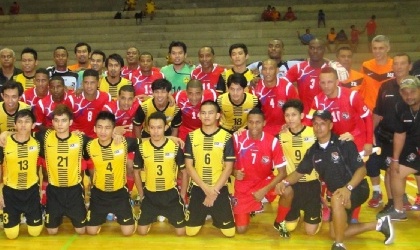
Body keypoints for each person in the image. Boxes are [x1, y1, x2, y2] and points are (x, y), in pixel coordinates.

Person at [276, 109, 394, 250]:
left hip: (357, 188)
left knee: (337, 199)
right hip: (339, 194)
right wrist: (284, 182)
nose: (318, 127)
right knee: (335, 232)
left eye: (322, 123)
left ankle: (339, 245)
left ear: (330, 125)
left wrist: (348, 188)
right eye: (315, 124)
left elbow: (362, 170)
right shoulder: (313, 151)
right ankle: (379, 224)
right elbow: (299, 173)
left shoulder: (344, 143)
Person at [184, 100, 236, 237]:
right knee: (190, 232)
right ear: (199, 115)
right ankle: (204, 212)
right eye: (203, 113)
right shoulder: (191, 136)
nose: (207, 116)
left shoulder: (226, 137)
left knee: (230, 233)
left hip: (219, 188)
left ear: (218, 115)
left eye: (211, 113)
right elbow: (189, 167)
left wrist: (214, 192)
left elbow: (228, 168)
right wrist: (206, 189)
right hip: (198, 187)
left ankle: (215, 210)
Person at [369, 54, 413, 213]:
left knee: (407, 170)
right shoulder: (385, 87)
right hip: (387, 137)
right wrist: (370, 133)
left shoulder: (417, 87)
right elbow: (377, 113)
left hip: (412, 138)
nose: (399, 67)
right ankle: (393, 203)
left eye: (403, 64)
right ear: (392, 67)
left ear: (410, 66)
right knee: (390, 169)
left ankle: (402, 200)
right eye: (396, 64)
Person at [232, 108, 287, 234]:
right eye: (251, 122)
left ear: (264, 123)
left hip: (264, 181)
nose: (254, 126)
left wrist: (264, 190)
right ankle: (251, 206)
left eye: (258, 122)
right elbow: (226, 164)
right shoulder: (237, 138)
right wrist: (234, 172)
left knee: (287, 190)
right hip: (244, 185)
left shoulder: (273, 142)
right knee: (241, 230)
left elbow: (283, 173)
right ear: (247, 123)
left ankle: (279, 221)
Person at [36, 104, 89, 235]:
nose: (60, 124)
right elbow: (22, 132)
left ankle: (82, 209)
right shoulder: (45, 136)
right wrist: (6, 133)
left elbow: (102, 141)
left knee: (81, 231)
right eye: (57, 120)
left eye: (64, 120)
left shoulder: (80, 139)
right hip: (54, 191)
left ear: (70, 122)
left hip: (74, 190)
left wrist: (115, 134)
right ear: (52, 122)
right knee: (52, 231)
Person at [85, 111, 138, 236]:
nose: (103, 131)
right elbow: (69, 137)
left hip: (119, 193)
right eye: (100, 127)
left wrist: (170, 138)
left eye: (107, 128)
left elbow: (146, 141)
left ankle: (129, 211)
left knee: (127, 232)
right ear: (94, 128)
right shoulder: (89, 145)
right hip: (99, 194)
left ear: (113, 130)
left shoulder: (123, 143)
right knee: (91, 232)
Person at [134, 111, 187, 235]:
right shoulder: (142, 148)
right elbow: (136, 172)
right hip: (150, 196)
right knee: (141, 232)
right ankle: (151, 217)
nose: (155, 131)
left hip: (170, 196)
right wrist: (142, 195)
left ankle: (170, 214)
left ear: (166, 128)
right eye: (152, 128)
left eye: (159, 127)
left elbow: (184, 172)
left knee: (181, 233)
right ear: (147, 128)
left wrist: (183, 195)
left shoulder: (174, 147)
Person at [278, 99, 321, 236]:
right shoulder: (281, 136)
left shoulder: (314, 133)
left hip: (311, 184)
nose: (290, 119)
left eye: (294, 115)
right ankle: (294, 213)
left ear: (302, 116)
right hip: (292, 186)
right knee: (289, 227)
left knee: (310, 232)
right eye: (287, 115)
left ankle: (317, 209)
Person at [379, 76, 420, 221]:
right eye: (405, 93)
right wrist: (395, 159)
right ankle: (398, 210)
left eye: (413, 92)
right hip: (414, 150)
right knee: (394, 170)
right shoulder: (400, 107)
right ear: (401, 94)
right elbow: (400, 134)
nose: (409, 96)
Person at [0, 110, 43, 239]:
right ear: (15, 124)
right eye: (20, 122)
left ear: (33, 125)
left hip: (31, 191)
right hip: (11, 192)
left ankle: (27, 214)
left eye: (27, 122)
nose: (23, 125)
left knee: (35, 233)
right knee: (11, 235)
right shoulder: (4, 143)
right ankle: (11, 215)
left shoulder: (38, 141)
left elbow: (59, 133)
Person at [251, 59, 298, 136]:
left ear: (277, 70)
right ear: (261, 71)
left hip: (285, 130)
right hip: (262, 132)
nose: (267, 72)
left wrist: (290, 126)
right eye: (265, 69)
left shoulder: (287, 86)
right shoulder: (255, 88)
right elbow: (252, 114)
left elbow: (296, 109)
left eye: (271, 69)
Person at [67, 69, 112, 138]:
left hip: (98, 139)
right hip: (77, 138)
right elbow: (65, 121)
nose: (89, 86)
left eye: (92, 83)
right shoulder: (72, 99)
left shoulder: (106, 97)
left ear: (98, 83)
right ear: (82, 83)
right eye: (86, 82)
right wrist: (72, 132)